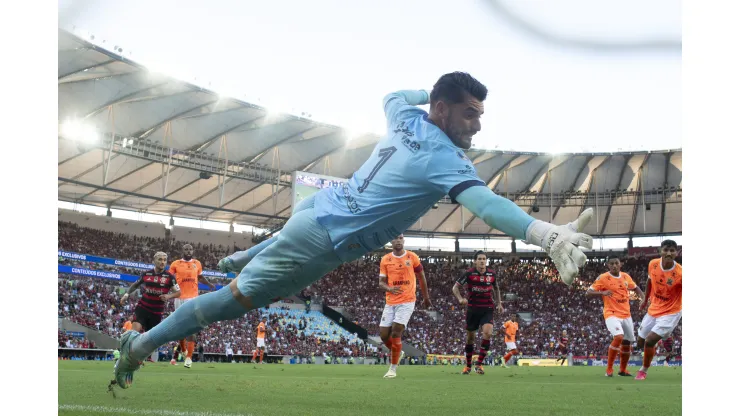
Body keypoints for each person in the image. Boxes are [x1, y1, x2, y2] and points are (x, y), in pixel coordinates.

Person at [113, 72, 594, 389]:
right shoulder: (443, 157)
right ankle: (138, 348)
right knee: (225, 304)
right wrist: (545, 235)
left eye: (480, 115)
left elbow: (393, 95)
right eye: (469, 112)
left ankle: (244, 256)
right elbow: (485, 204)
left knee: (277, 253)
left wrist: (431, 93)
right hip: (324, 239)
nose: (477, 125)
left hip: (317, 209)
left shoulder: (405, 117)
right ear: (444, 110)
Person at [112, 252, 179, 388]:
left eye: (165, 260)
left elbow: (179, 293)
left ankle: (133, 365)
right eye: (160, 259)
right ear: (154, 261)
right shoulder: (146, 274)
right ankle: (122, 362)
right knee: (132, 335)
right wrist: (126, 294)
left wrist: (168, 296)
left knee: (148, 344)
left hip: (156, 312)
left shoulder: (169, 277)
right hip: (143, 308)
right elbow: (135, 285)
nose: (162, 262)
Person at [377, 234, 431, 378]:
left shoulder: (412, 257)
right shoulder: (385, 259)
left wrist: (426, 297)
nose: (398, 240)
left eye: (400, 238)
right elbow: (381, 282)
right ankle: (398, 351)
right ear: (391, 241)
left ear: (404, 240)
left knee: (396, 332)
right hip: (390, 301)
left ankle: (392, 369)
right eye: (395, 238)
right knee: (383, 335)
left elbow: (421, 277)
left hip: (407, 300)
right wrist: (389, 289)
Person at [586, 256, 644, 377]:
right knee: (618, 337)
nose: (614, 265)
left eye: (616, 263)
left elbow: (636, 288)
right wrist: (602, 292)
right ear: (608, 265)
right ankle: (609, 369)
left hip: (626, 314)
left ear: (620, 264)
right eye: (611, 264)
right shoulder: (603, 278)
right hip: (611, 313)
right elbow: (588, 293)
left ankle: (622, 370)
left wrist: (643, 298)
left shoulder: (625, 276)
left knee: (627, 343)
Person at [635, 239, 682, 380]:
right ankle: (665, 337)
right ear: (660, 251)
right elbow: (650, 281)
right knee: (640, 342)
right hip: (654, 308)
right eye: (666, 249)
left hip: (671, 311)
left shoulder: (680, 273)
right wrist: (645, 299)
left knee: (649, 341)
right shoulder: (653, 264)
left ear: (677, 253)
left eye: (672, 250)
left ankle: (643, 370)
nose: (669, 253)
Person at [452, 250, 502, 375]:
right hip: (472, 309)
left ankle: (479, 364)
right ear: (475, 261)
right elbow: (455, 287)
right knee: (470, 339)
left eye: (484, 259)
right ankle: (468, 366)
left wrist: (499, 303)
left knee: (488, 333)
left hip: (487, 308)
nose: (482, 261)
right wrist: (460, 299)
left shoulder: (492, 274)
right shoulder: (469, 274)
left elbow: (496, 288)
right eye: (479, 259)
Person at [169, 244, 215, 369]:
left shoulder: (197, 263)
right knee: (180, 329)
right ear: (182, 251)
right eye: (186, 249)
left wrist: (209, 284)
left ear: (193, 251)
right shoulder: (176, 264)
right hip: (179, 297)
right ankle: (183, 350)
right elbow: (169, 278)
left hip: (193, 298)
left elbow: (200, 277)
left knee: (192, 327)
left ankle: (189, 357)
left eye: (190, 249)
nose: (188, 251)